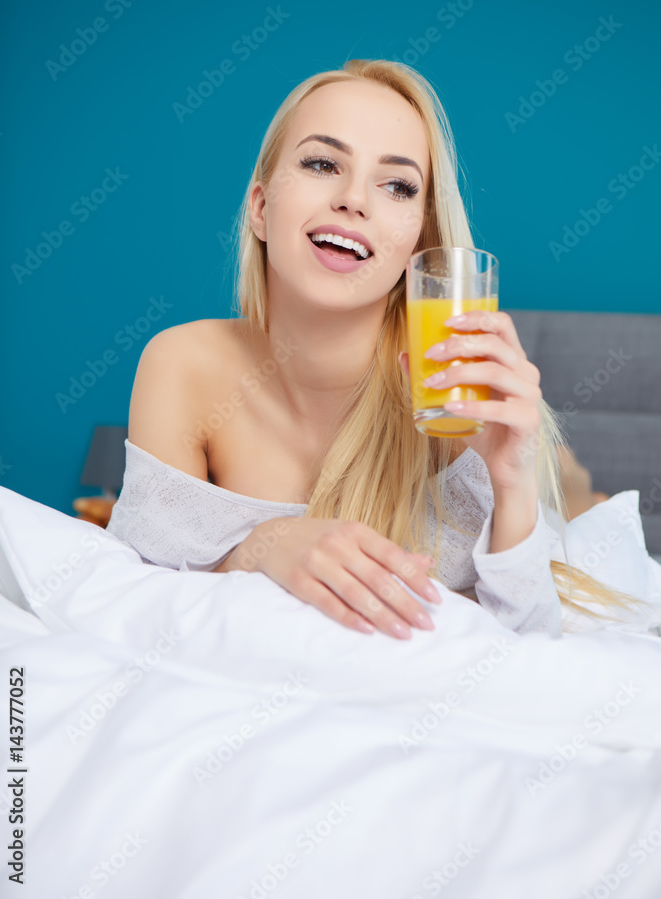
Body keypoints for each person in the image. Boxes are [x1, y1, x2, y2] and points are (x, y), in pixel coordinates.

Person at [106, 58, 641, 639]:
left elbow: (526, 647)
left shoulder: (448, 390)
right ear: (261, 207)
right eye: (322, 163)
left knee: (576, 501)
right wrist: (263, 546)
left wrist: (512, 484)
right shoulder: (183, 366)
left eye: (397, 186)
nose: (354, 199)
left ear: (418, 243)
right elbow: (135, 614)